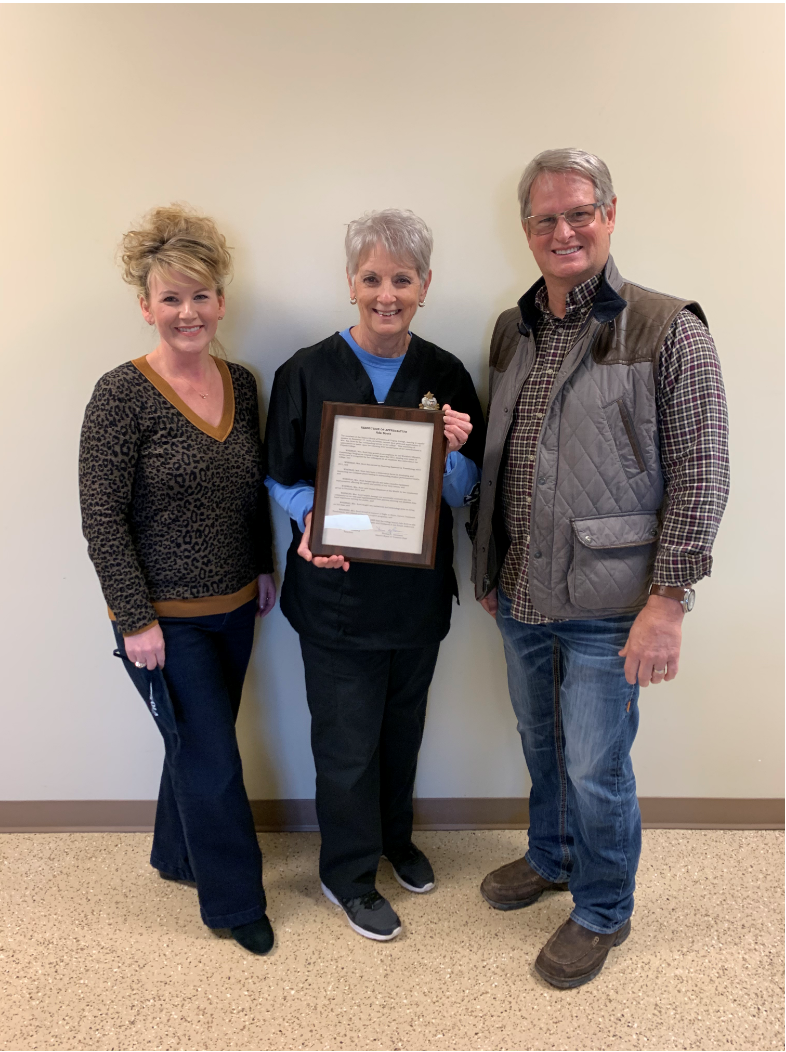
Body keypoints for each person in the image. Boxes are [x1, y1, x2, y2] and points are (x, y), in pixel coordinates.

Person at [472, 149, 729, 987]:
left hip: (612, 601)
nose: (564, 230)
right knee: (542, 747)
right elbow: (505, 456)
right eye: (546, 218)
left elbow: (702, 470)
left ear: (610, 216)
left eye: (580, 212)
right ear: (526, 231)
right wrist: (488, 565)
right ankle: (552, 857)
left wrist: (669, 601)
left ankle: (603, 909)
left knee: (596, 764)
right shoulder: (512, 330)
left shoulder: (666, 327)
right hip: (520, 592)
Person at [265, 209, 485, 941]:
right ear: (350, 283)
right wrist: (309, 522)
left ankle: (395, 839)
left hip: (415, 599)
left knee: (402, 729)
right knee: (346, 741)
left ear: (424, 285)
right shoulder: (304, 370)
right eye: (371, 278)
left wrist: (452, 452)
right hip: (335, 596)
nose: (385, 293)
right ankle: (347, 874)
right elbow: (281, 476)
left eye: (401, 278)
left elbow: (464, 491)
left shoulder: (446, 374)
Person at [79, 204, 277, 956]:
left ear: (220, 300)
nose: (187, 312)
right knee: (213, 759)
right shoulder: (121, 395)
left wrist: (263, 566)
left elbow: (250, 488)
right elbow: (102, 519)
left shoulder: (244, 384)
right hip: (161, 618)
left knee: (200, 744)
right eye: (171, 298)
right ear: (146, 306)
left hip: (235, 608)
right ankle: (234, 903)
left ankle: (175, 854)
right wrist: (134, 621)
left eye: (200, 295)